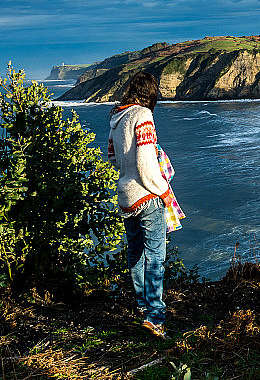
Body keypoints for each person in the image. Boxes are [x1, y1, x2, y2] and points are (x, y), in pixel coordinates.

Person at [107, 72, 170, 339]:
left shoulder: (116, 117)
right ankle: (155, 317)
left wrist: (128, 172)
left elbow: (112, 157)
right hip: (146, 195)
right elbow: (146, 164)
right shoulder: (143, 115)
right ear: (150, 93)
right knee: (156, 255)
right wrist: (163, 190)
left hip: (125, 195)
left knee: (135, 252)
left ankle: (143, 306)